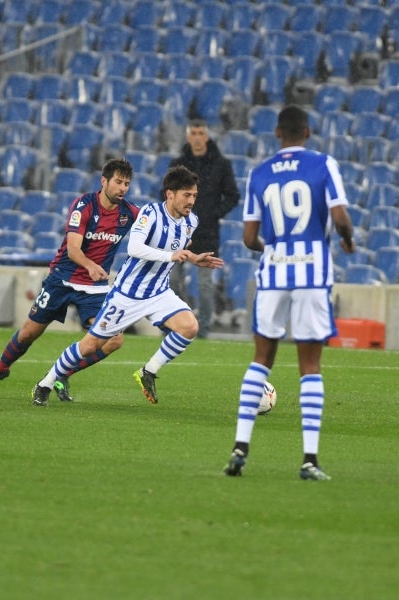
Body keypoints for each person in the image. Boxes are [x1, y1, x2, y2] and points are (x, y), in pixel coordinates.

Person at [222, 105, 354, 481]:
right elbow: (340, 216)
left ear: (277, 134)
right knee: (309, 365)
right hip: (312, 271)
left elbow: (249, 238)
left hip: (273, 272)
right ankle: (309, 459)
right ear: (308, 132)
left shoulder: (259, 173)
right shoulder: (323, 164)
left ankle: (240, 447)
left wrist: (277, 248)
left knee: (261, 357)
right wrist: (347, 239)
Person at [31, 165, 224, 407]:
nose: (191, 201)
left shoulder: (191, 221)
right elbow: (134, 248)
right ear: (170, 194)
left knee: (189, 327)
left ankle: (148, 372)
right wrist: (170, 256)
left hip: (158, 292)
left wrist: (194, 258)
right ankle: (45, 383)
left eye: (194, 195)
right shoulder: (150, 214)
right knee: (90, 345)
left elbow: (179, 249)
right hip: (127, 294)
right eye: (187, 195)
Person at [0, 159, 139, 401]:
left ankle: (62, 374)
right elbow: (73, 249)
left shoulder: (130, 213)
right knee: (29, 333)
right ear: (104, 181)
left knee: (114, 339)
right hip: (62, 280)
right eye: (118, 182)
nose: (122, 188)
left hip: (93, 289)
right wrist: (90, 265)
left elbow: (155, 224)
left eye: (126, 184)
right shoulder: (84, 205)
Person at [168, 119, 240, 338]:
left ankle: (203, 330)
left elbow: (233, 195)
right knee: (171, 280)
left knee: (205, 285)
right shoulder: (178, 164)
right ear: (188, 137)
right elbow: (168, 194)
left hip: (207, 232)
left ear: (206, 136)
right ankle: (178, 323)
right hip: (179, 231)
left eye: (201, 133)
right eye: (194, 133)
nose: (198, 137)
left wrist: (213, 214)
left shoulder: (221, 164)